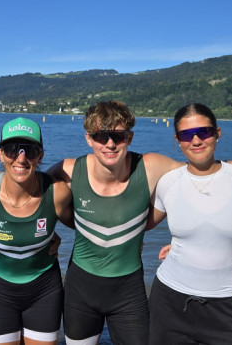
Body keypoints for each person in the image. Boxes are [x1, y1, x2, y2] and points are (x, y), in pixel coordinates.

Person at [48, 100, 181, 345]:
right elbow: (27, 192)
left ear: (129, 137)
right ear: (89, 138)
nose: (110, 144)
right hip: (81, 290)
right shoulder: (68, 170)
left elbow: (202, 179)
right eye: (101, 136)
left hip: (128, 292)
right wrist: (48, 234)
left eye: (118, 136)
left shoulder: (150, 167)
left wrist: (186, 239)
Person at [147, 103, 232, 344]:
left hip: (229, 306)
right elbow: (137, 226)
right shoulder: (168, 182)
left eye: (204, 132)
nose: (195, 140)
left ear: (217, 133)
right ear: (177, 140)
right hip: (170, 301)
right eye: (186, 135)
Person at [0, 117, 74, 345]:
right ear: (0, 154)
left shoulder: (58, 193)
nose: (21, 158)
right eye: (12, 149)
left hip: (44, 292)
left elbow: (86, 227)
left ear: (41, 155)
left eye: (31, 150)